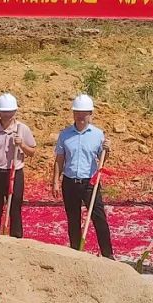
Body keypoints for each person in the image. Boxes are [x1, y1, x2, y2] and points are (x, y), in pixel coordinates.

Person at [53, 94, 112, 257]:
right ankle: (75, 253)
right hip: (70, 182)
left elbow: (102, 159)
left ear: (90, 114)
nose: (80, 116)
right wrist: (55, 181)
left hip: (90, 183)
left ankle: (108, 254)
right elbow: (59, 159)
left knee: (99, 218)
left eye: (84, 113)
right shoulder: (65, 135)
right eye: (77, 113)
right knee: (73, 219)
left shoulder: (98, 135)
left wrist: (107, 150)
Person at [0, 93, 36, 238]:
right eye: (4, 111)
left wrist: (21, 144)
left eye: (10, 112)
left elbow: (32, 152)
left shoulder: (22, 129)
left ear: (15, 111)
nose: (7, 115)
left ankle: (16, 239)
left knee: (15, 209)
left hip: (15, 172)